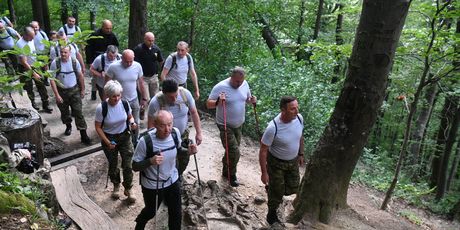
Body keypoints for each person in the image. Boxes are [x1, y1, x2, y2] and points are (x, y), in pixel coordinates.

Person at [132, 110, 197, 230]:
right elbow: (135, 166)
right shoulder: (145, 141)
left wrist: (188, 152)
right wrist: (150, 161)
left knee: (176, 213)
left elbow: (178, 151)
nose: (167, 129)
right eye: (162, 125)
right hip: (152, 184)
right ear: (155, 125)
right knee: (151, 211)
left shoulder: (175, 133)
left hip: (172, 179)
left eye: (170, 124)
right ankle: (140, 223)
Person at [206, 66, 256, 187]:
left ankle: (225, 170)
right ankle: (231, 175)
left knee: (231, 150)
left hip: (239, 124)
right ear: (231, 77)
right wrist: (218, 101)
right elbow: (208, 104)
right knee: (234, 151)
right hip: (224, 124)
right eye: (237, 81)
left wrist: (252, 100)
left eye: (241, 81)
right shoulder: (220, 87)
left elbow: (247, 99)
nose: (239, 84)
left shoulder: (244, 84)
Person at [259, 96, 304, 225]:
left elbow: (300, 137)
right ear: (283, 110)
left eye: (297, 107)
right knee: (277, 192)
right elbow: (263, 150)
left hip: (293, 161)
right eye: (292, 109)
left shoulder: (299, 119)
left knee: (294, 187)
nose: (296, 111)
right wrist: (264, 172)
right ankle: (271, 214)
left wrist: (301, 153)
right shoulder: (273, 128)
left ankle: (274, 190)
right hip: (276, 163)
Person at [147, 79, 202, 176]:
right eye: (171, 97)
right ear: (163, 93)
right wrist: (154, 143)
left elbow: (194, 112)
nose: (174, 99)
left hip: (183, 134)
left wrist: (199, 133)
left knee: (184, 159)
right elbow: (151, 125)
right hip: (164, 137)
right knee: (168, 161)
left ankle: (178, 176)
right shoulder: (155, 102)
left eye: (176, 95)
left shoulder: (185, 94)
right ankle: (169, 179)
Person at [94, 80, 138, 203]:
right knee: (113, 165)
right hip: (109, 138)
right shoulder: (101, 108)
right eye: (114, 96)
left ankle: (128, 188)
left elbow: (130, 116)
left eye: (119, 95)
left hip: (124, 136)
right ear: (108, 95)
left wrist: (132, 123)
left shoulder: (124, 104)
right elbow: (98, 127)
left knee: (128, 164)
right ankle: (116, 185)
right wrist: (107, 142)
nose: (117, 98)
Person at [49, 45, 91, 145]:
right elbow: (52, 80)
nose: (63, 54)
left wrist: (82, 89)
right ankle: (68, 126)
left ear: (69, 53)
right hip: (61, 92)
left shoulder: (74, 62)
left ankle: (83, 134)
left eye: (65, 52)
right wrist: (57, 95)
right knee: (64, 112)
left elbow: (80, 76)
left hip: (74, 91)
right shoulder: (55, 63)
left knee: (78, 112)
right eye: (62, 52)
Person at [105, 49, 146, 145]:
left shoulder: (137, 66)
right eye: (126, 61)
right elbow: (107, 85)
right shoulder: (113, 67)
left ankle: (135, 142)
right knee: (121, 123)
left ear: (134, 58)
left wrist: (144, 98)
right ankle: (123, 143)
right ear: (121, 58)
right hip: (119, 101)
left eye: (131, 61)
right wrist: (105, 101)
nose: (128, 63)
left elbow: (141, 83)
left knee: (135, 123)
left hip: (133, 99)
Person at [16, 26, 53, 113]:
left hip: (35, 65)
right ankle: (32, 105)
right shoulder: (20, 44)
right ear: (25, 35)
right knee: (28, 87)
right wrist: (33, 73)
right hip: (24, 68)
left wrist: (41, 64)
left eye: (33, 36)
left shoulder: (31, 39)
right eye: (31, 36)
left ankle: (46, 104)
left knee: (41, 85)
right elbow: (24, 62)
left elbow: (34, 53)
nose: (33, 38)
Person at [86, 19, 119, 101]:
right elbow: (88, 49)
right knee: (95, 78)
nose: (109, 30)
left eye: (110, 28)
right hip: (96, 58)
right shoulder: (94, 35)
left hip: (109, 57)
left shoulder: (112, 35)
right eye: (107, 28)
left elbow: (116, 46)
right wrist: (90, 62)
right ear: (102, 27)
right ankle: (94, 91)